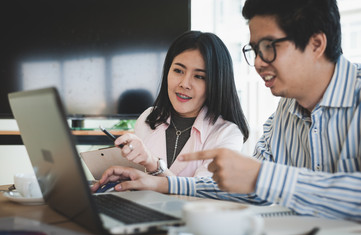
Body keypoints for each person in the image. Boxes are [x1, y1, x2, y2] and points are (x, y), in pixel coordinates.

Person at [92, 0, 361, 222]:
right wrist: (160, 183)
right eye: (254, 50)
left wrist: (261, 176)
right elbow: (254, 191)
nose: (257, 63)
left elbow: (261, 180)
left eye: (268, 48)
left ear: (316, 44)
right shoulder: (285, 112)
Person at [112, 30, 249, 177]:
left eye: (199, 76)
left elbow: (201, 193)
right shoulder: (149, 117)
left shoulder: (227, 134)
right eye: (178, 70)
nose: (184, 84)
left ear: (216, 83)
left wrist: (153, 164)